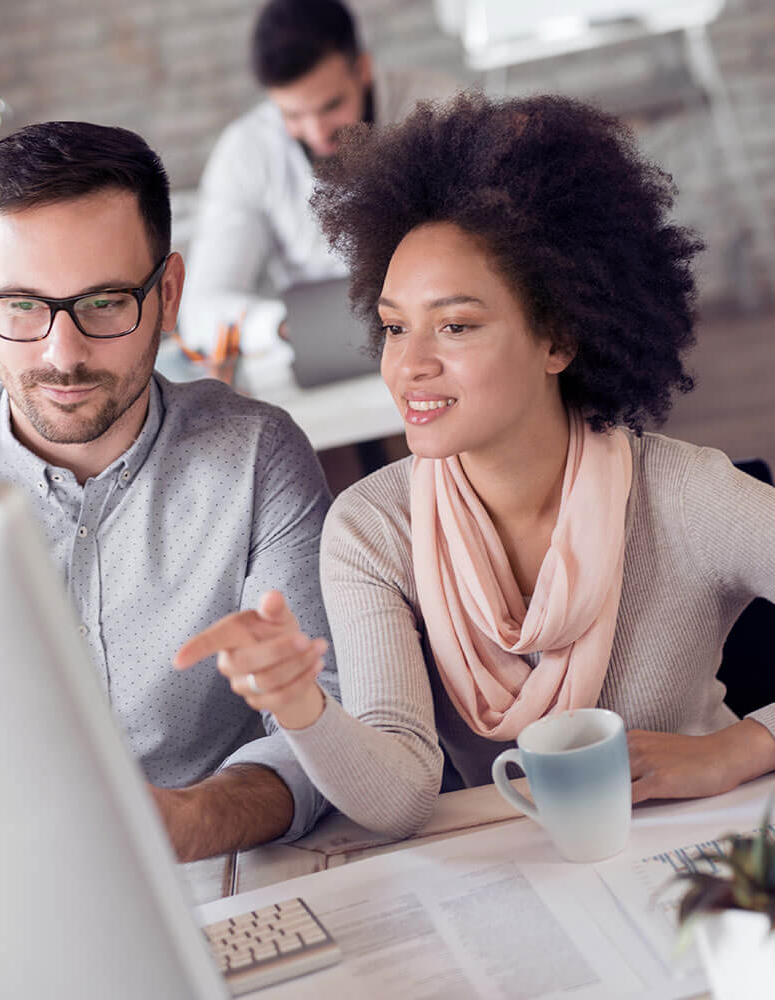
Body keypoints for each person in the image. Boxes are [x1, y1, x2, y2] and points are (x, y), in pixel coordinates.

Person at [176, 94, 775, 839]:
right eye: (395, 327)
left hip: (707, 854)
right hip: (514, 877)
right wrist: (301, 704)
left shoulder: (685, 496)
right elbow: (399, 798)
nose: (409, 365)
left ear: (557, 339)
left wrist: (740, 748)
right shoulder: (371, 530)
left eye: (455, 325)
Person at [0, 121, 338, 860]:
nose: (60, 355)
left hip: (222, 877)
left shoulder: (256, 457)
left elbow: (333, 729)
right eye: (24, 306)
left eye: (104, 304)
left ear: (167, 294)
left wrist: (188, 821)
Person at [180, 0, 458, 356]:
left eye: (331, 107)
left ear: (363, 69)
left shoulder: (441, 109)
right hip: (328, 359)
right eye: (292, 114)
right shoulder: (245, 153)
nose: (316, 134)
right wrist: (290, 327)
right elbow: (202, 312)